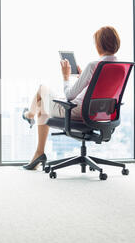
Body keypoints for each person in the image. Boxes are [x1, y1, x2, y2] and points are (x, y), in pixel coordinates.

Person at [21, 26, 121, 170]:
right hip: (100, 114)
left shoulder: (94, 65)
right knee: (43, 102)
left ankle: (29, 115)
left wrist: (66, 76)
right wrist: (83, 77)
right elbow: (102, 89)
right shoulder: (119, 67)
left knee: (42, 90)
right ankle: (39, 153)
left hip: (77, 111)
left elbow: (69, 95)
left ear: (99, 44)